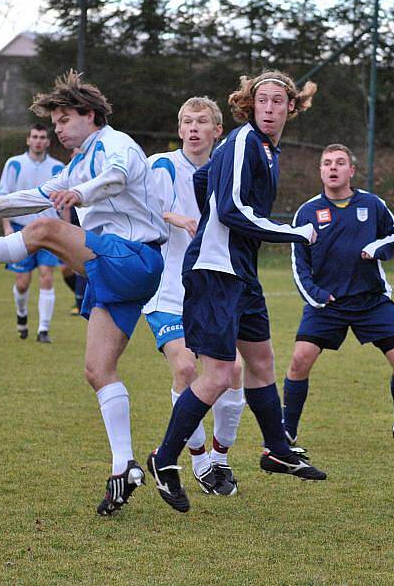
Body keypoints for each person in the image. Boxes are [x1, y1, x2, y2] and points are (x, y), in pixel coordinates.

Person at [0, 70, 167, 516]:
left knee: (46, 229)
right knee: (98, 369)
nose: (59, 129)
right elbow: (34, 196)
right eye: (55, 122)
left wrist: (78, 194)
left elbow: (118, 177)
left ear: (90, 115)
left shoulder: (114, 144)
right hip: (112, 268)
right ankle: (123, 466)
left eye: (66, 119)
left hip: (135, 257)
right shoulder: (75, 163)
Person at [147, 70, 327, 514]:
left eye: (278, 101)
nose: (269, 107)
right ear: (250, 104)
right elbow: (230, 210)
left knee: (262, 361)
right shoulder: (245, 141)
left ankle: (276, 448)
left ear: (291, 108)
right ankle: (164, 459)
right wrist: (296, 233)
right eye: (262, 100)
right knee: (219, 374)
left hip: (239, 271)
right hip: (214, 270)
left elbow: (204, 182)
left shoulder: (267, 149)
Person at [282, 143, 394, 453]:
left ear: (351, 170)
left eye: (340, 162)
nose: (333, 168)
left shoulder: (372, 204)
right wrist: (316, 296)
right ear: (321, 171)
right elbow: (300, 264)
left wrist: (376, 249)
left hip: (371, 301)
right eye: (327, 163)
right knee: (299, 361)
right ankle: (286, 435)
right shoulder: (307, 211)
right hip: (328, 303)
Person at [143, 96, 246, 497]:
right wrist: (174, 217)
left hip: (212, 289)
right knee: (186, 368)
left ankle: (220, 455)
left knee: (233, 371)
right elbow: (139, 207)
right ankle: (200, 460)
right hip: (167, 289)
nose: (192, 128)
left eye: (201, 121)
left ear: (217, 130)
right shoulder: (161, 165)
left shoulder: (228, 169)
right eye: (186, 121)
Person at [0, 124, 65, 343]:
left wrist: (67, 231)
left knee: (46, 276)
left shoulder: (58, 167)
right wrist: (6, 227)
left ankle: (43, 330)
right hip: (21, 229)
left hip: (49, 231)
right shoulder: (14, 164)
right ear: (28, 140)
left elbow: (64, 205)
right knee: (23, 282)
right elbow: (3, 198)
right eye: (34, 137)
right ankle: (22, 313)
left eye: (42, 137)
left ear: (47, 142)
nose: (38, 141)